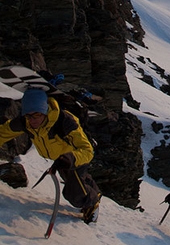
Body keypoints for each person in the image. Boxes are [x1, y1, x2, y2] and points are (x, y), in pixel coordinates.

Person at [0, 88, 101, 224]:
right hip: (59, 159)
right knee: (76, 183)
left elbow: (87, 150)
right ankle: (92, 189)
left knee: (75, 196)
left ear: (45, 111)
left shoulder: (65, 121)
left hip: (75, 157)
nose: (32, 120)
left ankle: (92, 203)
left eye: (36, 115)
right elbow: (2, 133)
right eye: (28, 116)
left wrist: (70, 158)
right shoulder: (26, 122)